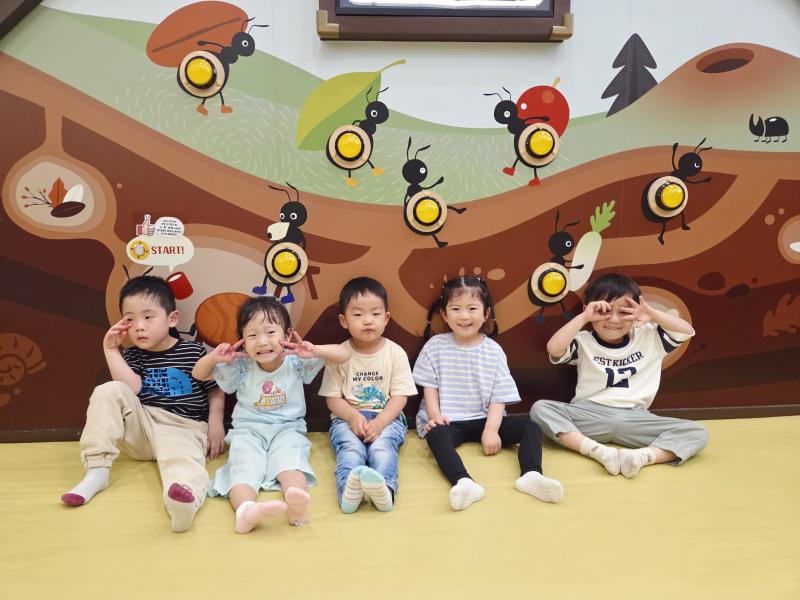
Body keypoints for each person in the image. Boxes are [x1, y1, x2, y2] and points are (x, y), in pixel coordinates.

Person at [61, 275, 225, 533]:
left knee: (182, 462)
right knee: (108, 390)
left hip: (183, 428)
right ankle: (97, 470)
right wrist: (111, 350)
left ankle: (184, 503)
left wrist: (216, 423)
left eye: (148, 317)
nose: (139, 327)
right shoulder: (134, 355)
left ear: (172, 318)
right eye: (130, 319)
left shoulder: (193, 352)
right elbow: (132, 388)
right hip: (144, 427)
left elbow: (215, 390)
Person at [192, 296, 349, 533]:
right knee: (242, 469)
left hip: (287, 429)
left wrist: (314, 350)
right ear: (242, 340)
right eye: (252, 335)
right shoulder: (241, 365)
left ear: (287, 335)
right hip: (248, 431)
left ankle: (296, 504)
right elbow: (198, 374)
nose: (262, 341)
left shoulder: (296, 361)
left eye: (270, 332)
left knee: (291, 466)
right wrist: (214, 357)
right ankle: (245, 510)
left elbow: (344, 354)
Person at [531, 273, 708, 478]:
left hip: (636, 418)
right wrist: (584, 317)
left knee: (697, 432)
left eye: (623, 312)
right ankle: (598, 451)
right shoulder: (584, 341)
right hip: (590, 414)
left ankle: (641, 457)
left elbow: (686, 331)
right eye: (605, 311)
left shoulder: (649, 336)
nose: (614, 320)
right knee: (540, 409)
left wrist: (652, 314)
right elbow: (554, 348)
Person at [414, 276, 563, 511]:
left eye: (472, 309)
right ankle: (463, 482)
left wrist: (491, 430)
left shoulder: (493, 350)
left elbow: (499, 395)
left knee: (531, 429)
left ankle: (531, 475)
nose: (464, 316)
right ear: (444, 314)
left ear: (486, 314)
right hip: (449, 420)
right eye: (456, 309)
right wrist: (435, 417)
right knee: (436, 437)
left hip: (485, 419)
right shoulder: (435, 346)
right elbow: (429, 388)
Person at [319, 277, 417, 513]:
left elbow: (400, 396)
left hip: (387, 418)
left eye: (375, 313)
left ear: (386, 318)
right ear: (344, 320)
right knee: (350, 449)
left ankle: (385, 490)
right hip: (347, 419)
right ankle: (347, 491)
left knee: (382, 448)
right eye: (358, 314)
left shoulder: (395, 353)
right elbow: (332, 399)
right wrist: (352, 417)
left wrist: (381, 421)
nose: (368, 320)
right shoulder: (339, 354)